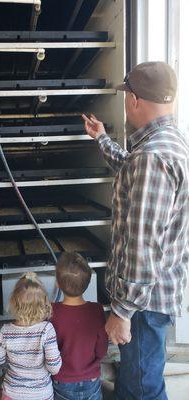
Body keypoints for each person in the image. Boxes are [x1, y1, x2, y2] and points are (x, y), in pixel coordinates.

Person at [82, 61, 189, 399]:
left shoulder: (152, 158)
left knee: (143, 387)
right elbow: (132, 171)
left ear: (134, 100)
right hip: (153, 296)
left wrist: (122, 311)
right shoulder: (168, 144)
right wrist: (102, 139)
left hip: (142, 305)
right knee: (135, 377)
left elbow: (144, 246)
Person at [0, 272, 62, 400]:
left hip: (12, 393)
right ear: (44, 303)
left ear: (13, 302)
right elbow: (54, 368)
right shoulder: (46, 330)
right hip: (40, 394)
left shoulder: (5, 331)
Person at [51, 252, 108, 400]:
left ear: (57, 282)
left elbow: (49, 349)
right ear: (89, 281)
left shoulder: (52, 312)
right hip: (91, 378)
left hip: (62, 379)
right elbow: (102, 349)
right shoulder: (96, 310)